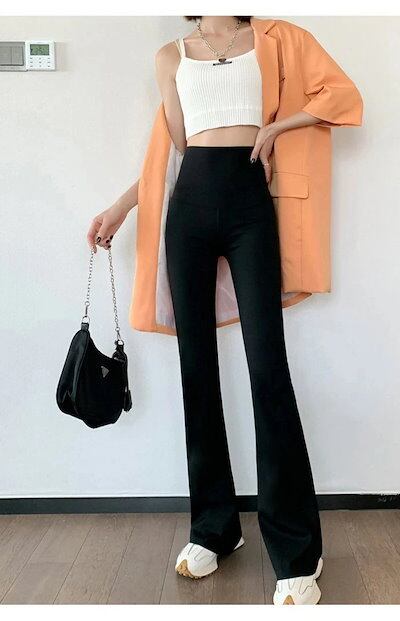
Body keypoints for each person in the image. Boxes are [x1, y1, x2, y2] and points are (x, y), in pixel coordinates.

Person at [87, 16, 363, 605]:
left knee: (268, 369)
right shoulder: (170, 56)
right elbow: (171, 151)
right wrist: (121, 207)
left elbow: (338, 95)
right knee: (197, 372)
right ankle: (214, 528)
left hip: (250, 205)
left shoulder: (273, 39)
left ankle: (297, 550)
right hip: (189, 209)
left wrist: (279, 126)